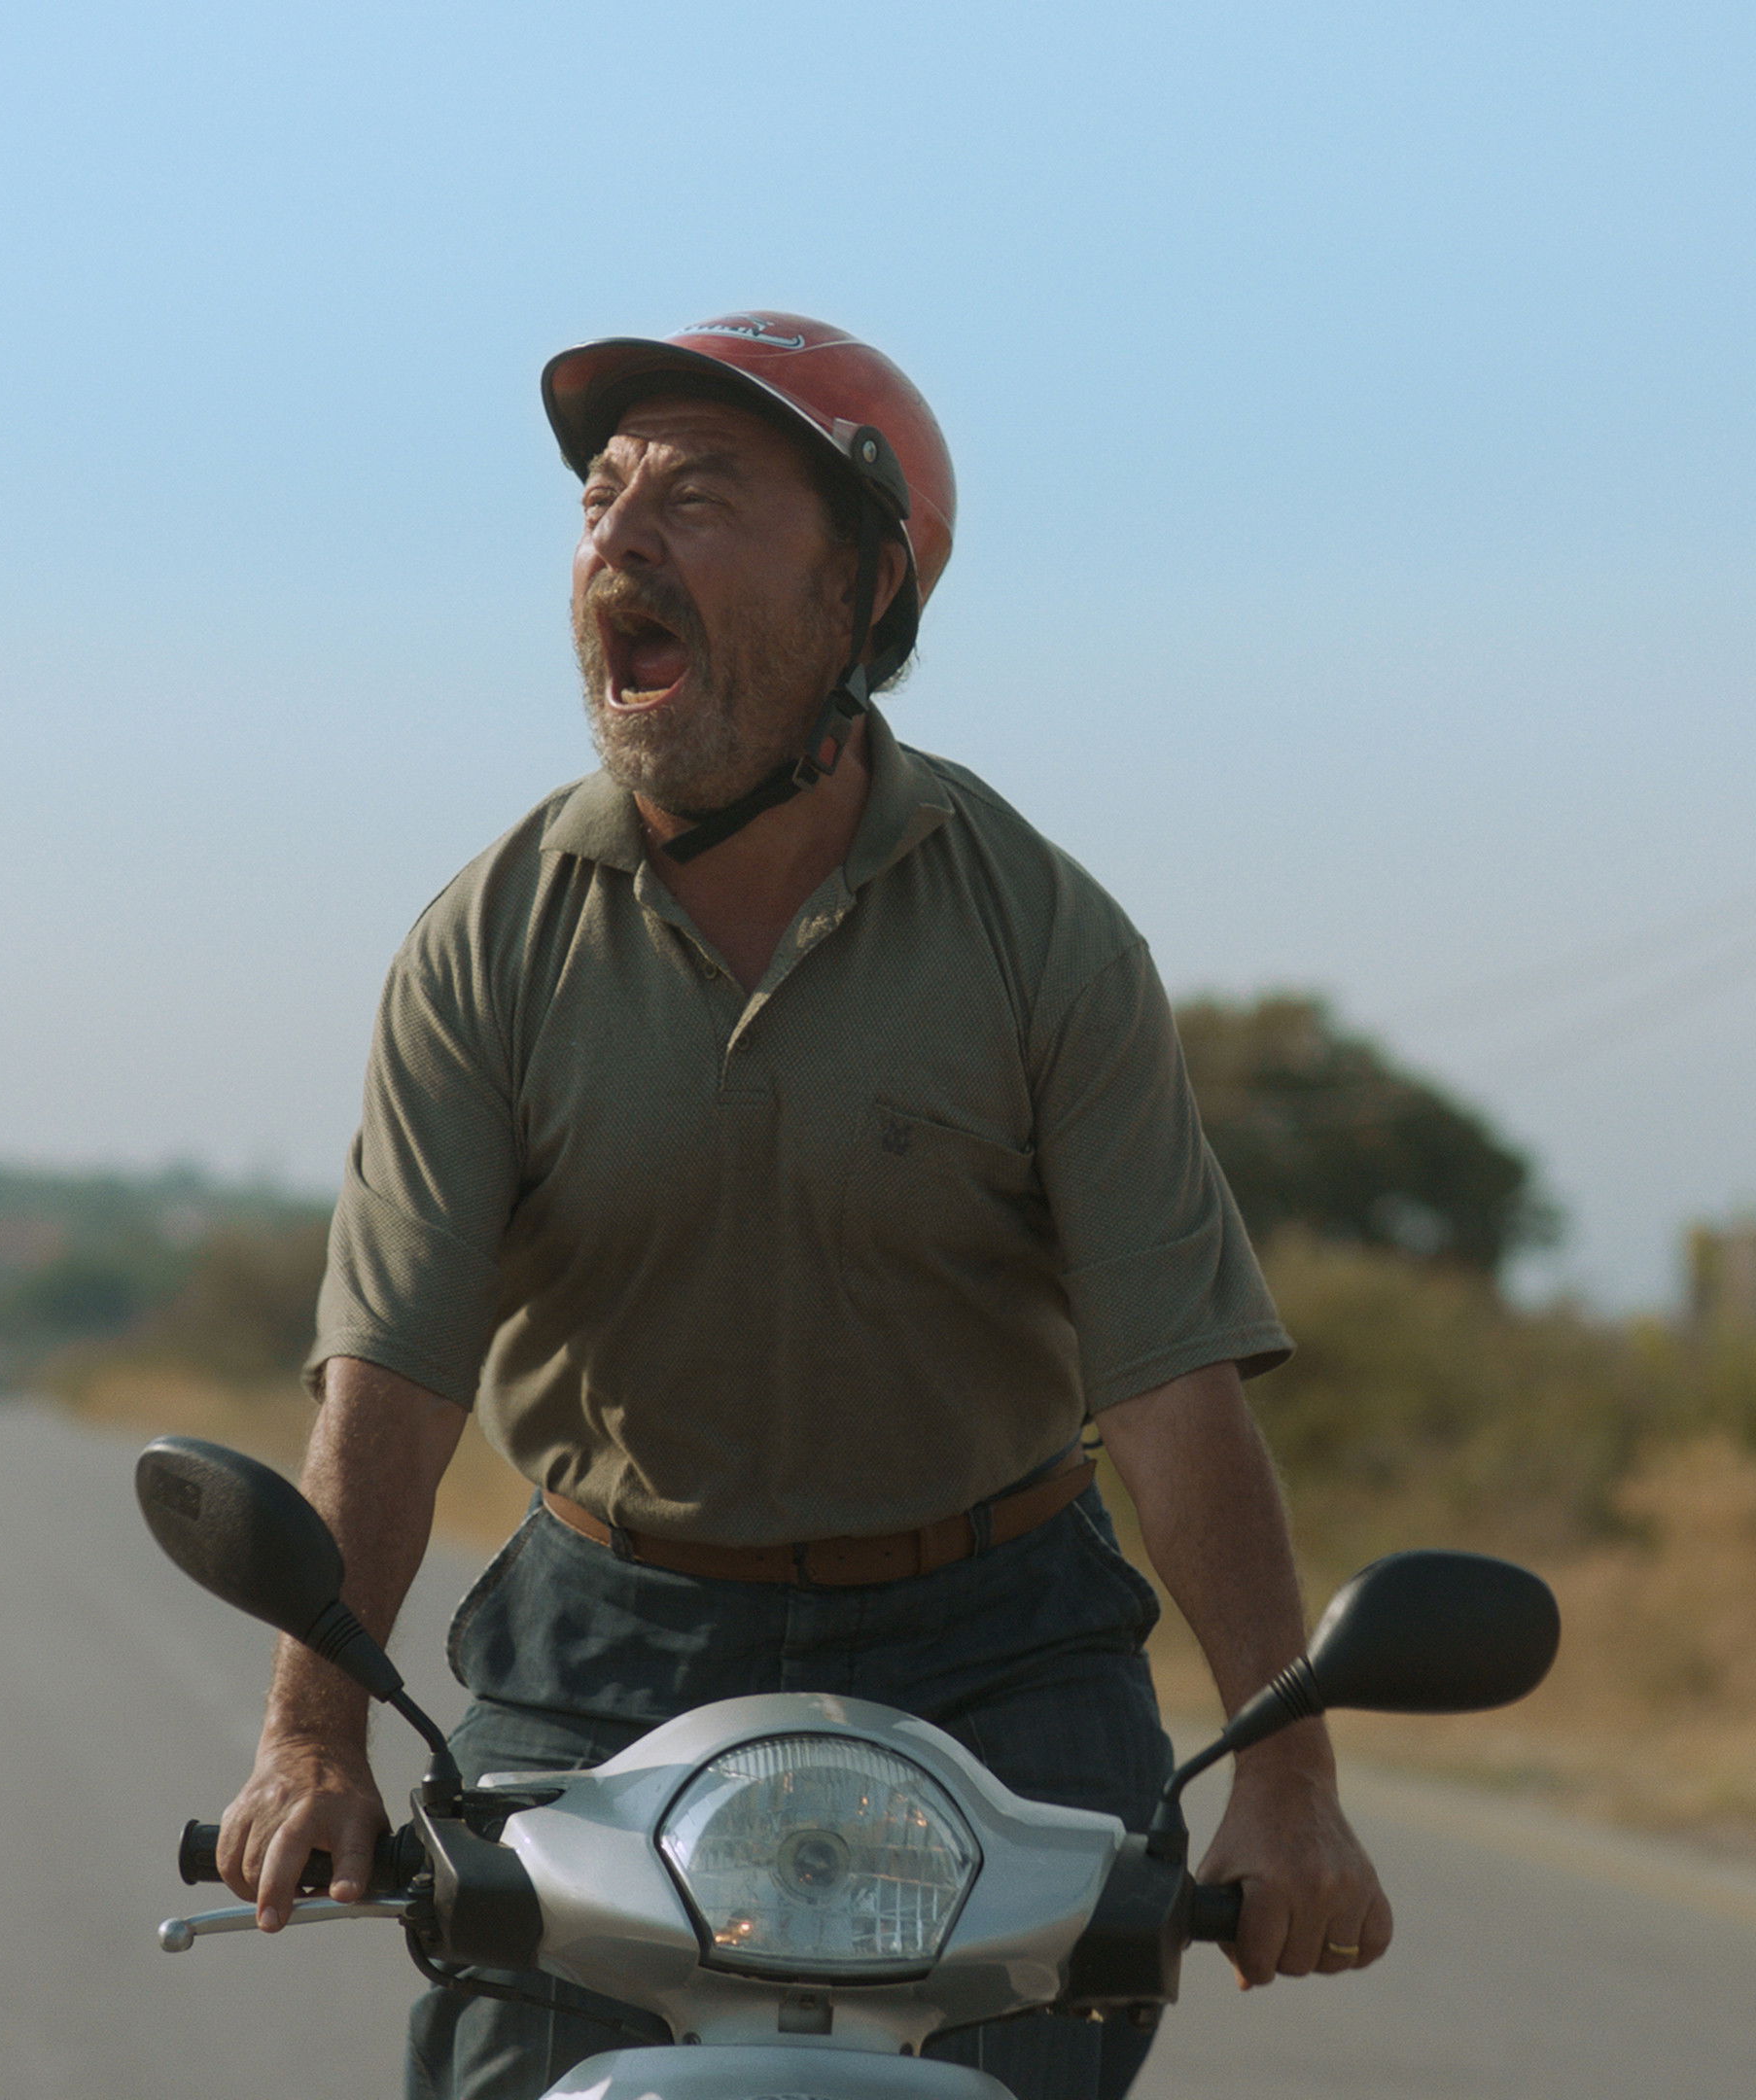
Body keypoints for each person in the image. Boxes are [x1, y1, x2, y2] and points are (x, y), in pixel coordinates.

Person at [214, 311, 1388, 2100]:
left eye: (697, 496)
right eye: (600, 499)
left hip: (996, 1645)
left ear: (867, 588)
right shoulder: (489, 943)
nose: (618, 537)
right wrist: (312, 1738)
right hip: (607, 1640)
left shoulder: (1044, 937)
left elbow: (1172, 1383)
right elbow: (393, 1374)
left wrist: (1288, 1776)